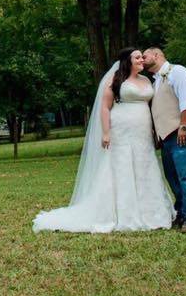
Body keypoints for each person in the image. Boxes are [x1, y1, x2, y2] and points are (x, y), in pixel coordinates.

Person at [32, 48, 175, 233]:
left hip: (143, 131)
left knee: (145, 165)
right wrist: (106, 133)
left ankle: (151, 213)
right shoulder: (116, 80)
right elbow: (105, 107)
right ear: (127, 61)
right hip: (121, 130)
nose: (142, 60)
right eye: (137, 57)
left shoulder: (147, 80)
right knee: (122, 166)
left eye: (142, 57)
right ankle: (122, 213)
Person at [141, 47, 186, 233]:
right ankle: (182, 213)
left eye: (145, 56)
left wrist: (183, 126)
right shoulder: (157, 81)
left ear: (156, 55)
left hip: (182, 132)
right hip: (167, 137)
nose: (142, 60)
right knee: (173, 177)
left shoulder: (177, 72)